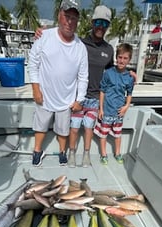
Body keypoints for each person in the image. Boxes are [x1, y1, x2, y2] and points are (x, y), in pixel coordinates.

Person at [27, 0, 88, 167]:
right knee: (40, 126)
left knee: (63, 130)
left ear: (78, 21)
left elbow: (83, 76)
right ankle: (37, 150)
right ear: (59, 15)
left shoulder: (80, 47)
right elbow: (33, 63)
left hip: (66, 99)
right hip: (44, 95)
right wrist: (35, 89)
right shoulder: (44, 36)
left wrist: (79, 100)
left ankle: (62, 152)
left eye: (74, 18)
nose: (69, 21)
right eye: (67, 16)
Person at [67, 5, 115, 168]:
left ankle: (86, 154)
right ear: (92, 22)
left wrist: (128, 73)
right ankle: (71, 153)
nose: (101, 26)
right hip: (78, 98)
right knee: (74, 129)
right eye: (98, 22)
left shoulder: (109, 50)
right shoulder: (79, 43)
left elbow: (111, 72)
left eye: (105, 23)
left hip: (95, 99)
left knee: (88, 128)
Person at [94, 43, 134, 165]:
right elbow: (102, 91)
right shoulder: (108, 73)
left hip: (118, 112)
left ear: (129, 60)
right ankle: (104, 154)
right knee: (103, 134)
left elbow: (129, 94)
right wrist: (101, 109)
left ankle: (117, 153)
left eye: (125, 58)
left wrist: (126, 106)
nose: (122, 60)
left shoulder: (129, 77)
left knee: (117, 134)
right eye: (120, 57)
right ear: (116, 57)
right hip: (107, 110)